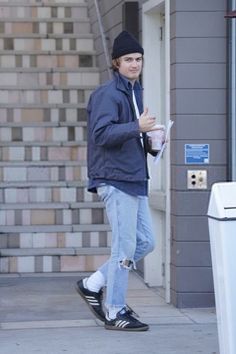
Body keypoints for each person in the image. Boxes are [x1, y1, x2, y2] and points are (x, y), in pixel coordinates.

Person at [76, 30, 160, 332]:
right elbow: (101, 135)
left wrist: (152, 140)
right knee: (124, 248)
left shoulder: (135, 92)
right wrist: (136, 126)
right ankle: (114, 310)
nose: (135, 64)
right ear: (116, 63)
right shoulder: (107, 94)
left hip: (135, 177)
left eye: (138, 59)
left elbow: (128, 134)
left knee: (146, 242)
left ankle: (93, 283)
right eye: (128, 60)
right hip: (115, 178)